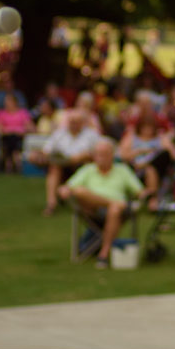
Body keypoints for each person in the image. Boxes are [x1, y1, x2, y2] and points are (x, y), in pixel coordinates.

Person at [57, 137, 144, 269]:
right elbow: (69, 187)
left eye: (105, 154)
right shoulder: (87, 169)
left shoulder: (123, 170)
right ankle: (113, 203)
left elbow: (139, 191)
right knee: (80, 191)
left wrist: (148, 196)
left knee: (114, 210)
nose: (101, 158)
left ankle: (103, 254)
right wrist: (64, 189)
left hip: (116, 212)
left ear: (112, 155)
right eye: (98, 154)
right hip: (92, 210)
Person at [36, 109, 100, 216]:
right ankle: (51, 203)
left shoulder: (91, 135)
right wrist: (40, 156)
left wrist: (86, 155)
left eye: (77, 122)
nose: (74, 124)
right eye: (71, 121)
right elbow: (47, 150)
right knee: (54, 168)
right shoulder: (59, 133)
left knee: (86, 166)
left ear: (82, 123)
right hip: (62, 165)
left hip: (84, 166)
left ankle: (88, 202)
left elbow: (100, 152)